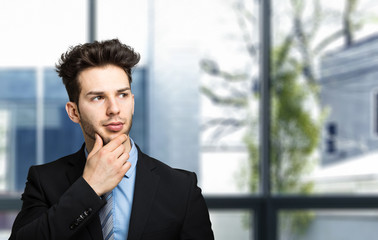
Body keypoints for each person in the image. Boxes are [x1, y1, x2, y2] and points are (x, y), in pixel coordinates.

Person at [9, 39, 214, 240]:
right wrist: (89, 188)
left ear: (132, 102)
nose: (114, 109)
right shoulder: (44, 181)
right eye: (98, 97)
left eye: (122, 95)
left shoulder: (181, 188)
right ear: (74, 112)